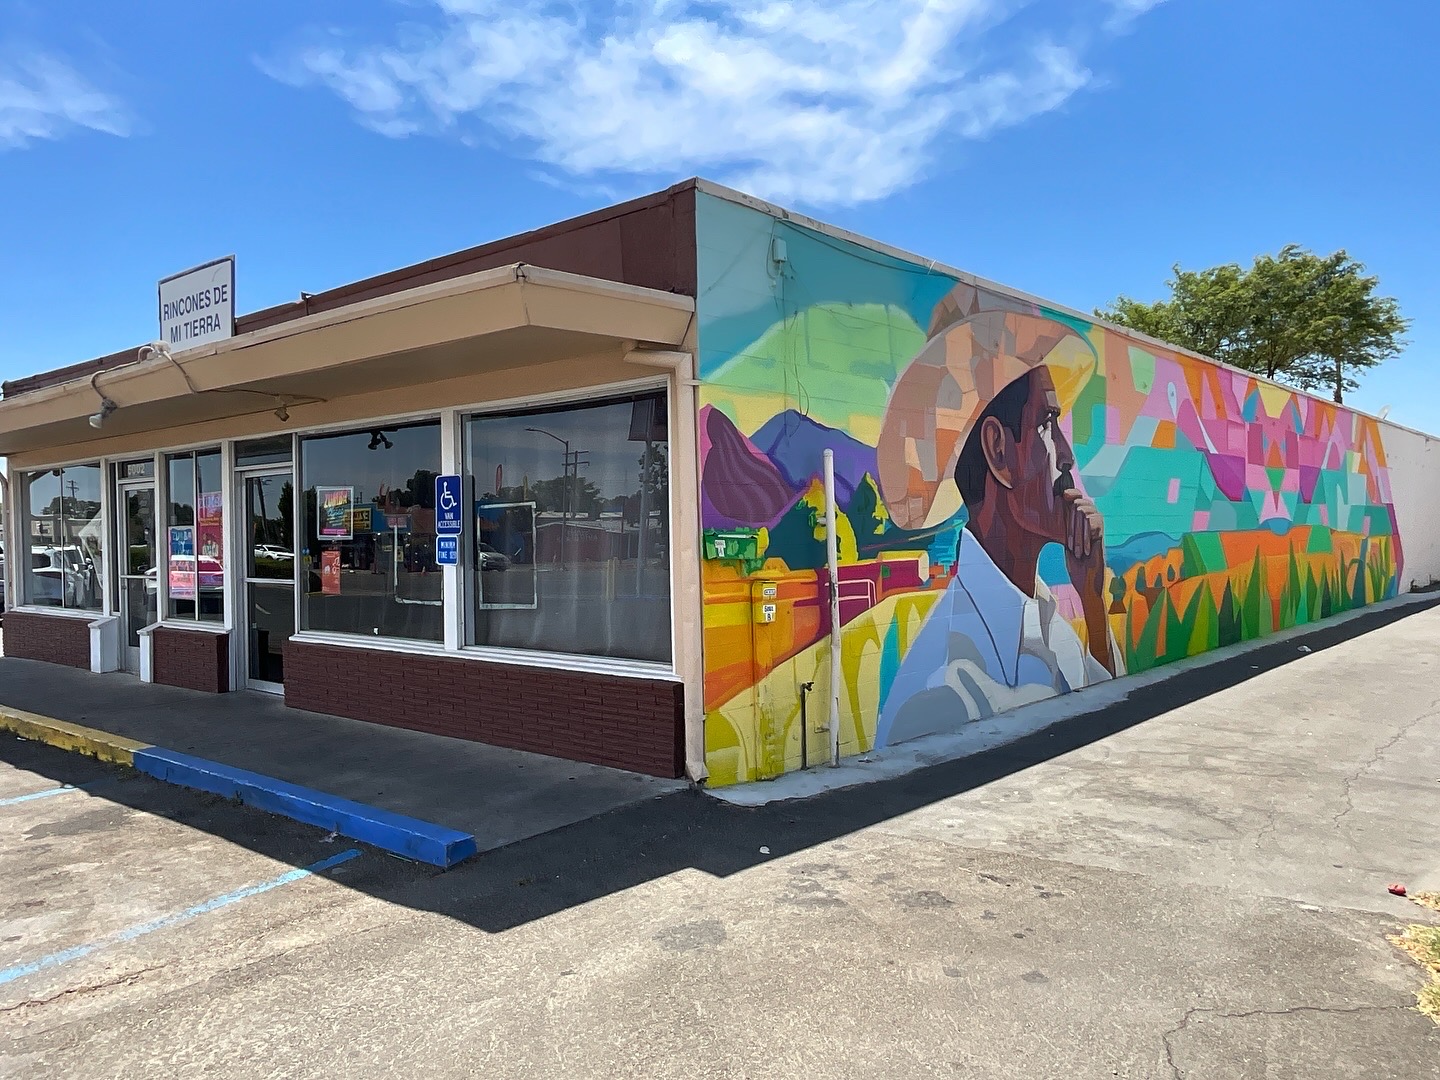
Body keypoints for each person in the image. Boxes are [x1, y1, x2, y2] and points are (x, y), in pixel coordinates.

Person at [874, 291, 1123, 748]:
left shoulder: (1048, 619)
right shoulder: (941, 691)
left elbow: (1108, 710)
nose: (1067, 456)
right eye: (1047, 425)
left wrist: (1093, 602)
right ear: (998, 451)